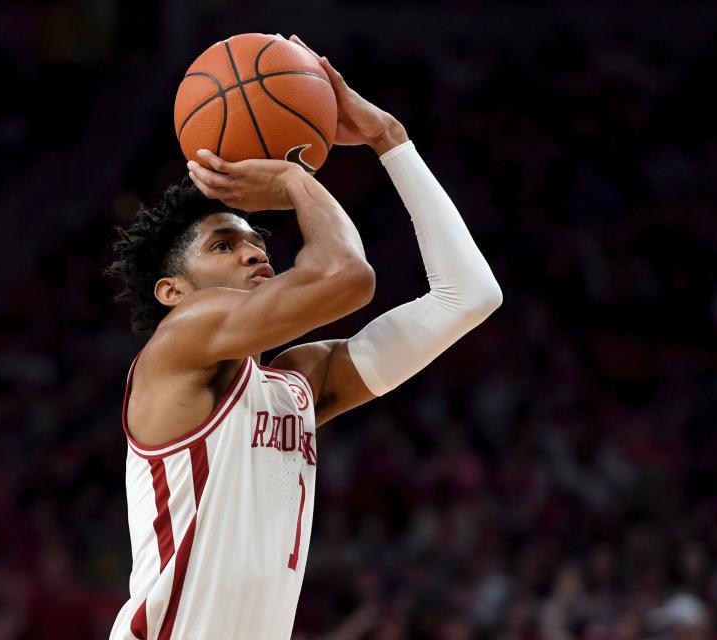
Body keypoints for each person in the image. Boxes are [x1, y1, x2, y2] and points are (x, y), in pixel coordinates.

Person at [106, 34, 502, 640]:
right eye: (223, 245)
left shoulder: (298, 384)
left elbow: (468, 297)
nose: (253, 252)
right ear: (172, 292)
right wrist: (295, 181)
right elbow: (347, 276)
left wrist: (389, 139)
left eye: (258, 242)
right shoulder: (176, 344)